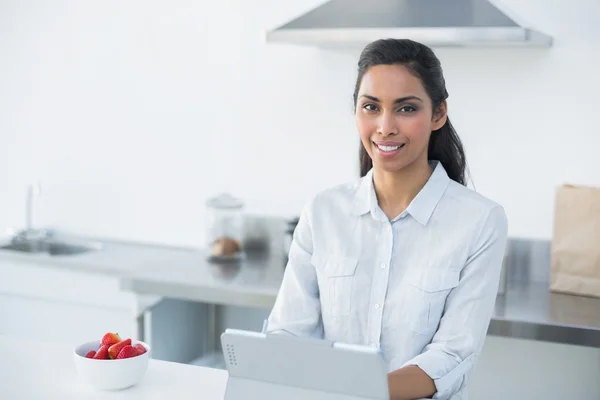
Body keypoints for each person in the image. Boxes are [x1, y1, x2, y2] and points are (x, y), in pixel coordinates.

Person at [266, 38, 508, 400]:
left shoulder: (480, 221)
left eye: (406, 109)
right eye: (371, 107)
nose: (385, 126)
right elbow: (288, 333)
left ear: (438, 114)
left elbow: (452, 356)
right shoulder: (323, 212)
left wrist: (356, 390)